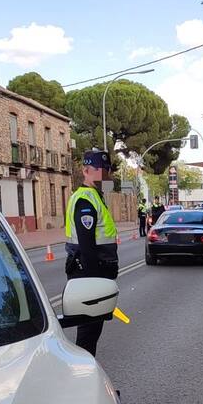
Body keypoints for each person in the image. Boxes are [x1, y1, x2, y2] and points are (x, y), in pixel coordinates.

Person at [65, 150, 119, 356]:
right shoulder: (85, 200)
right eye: (101, 171)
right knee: (88, 334)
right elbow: (87, 247)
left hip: (92, 273)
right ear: (87, 171)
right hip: (88, 275)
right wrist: (95, 284)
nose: (106, 176)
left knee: (91, 332)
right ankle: (82, 378)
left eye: (107, 171)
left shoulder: (96, 196)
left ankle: (83, 373)